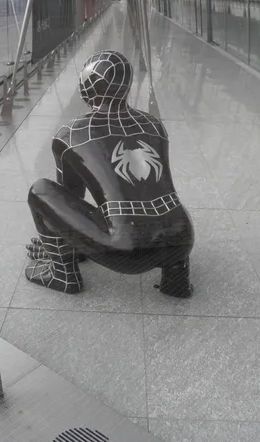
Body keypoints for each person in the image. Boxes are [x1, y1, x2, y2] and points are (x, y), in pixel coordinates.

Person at [25, 50, 194, 298]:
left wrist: (62, 246)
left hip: (127, 250)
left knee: (39, 190)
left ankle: (62, 274)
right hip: (182, 237)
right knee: (151, 196)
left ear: (88, 85)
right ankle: (175, 280)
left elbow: (68, 202)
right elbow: (149, 184)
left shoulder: (70, 134)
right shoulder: (154, 125)